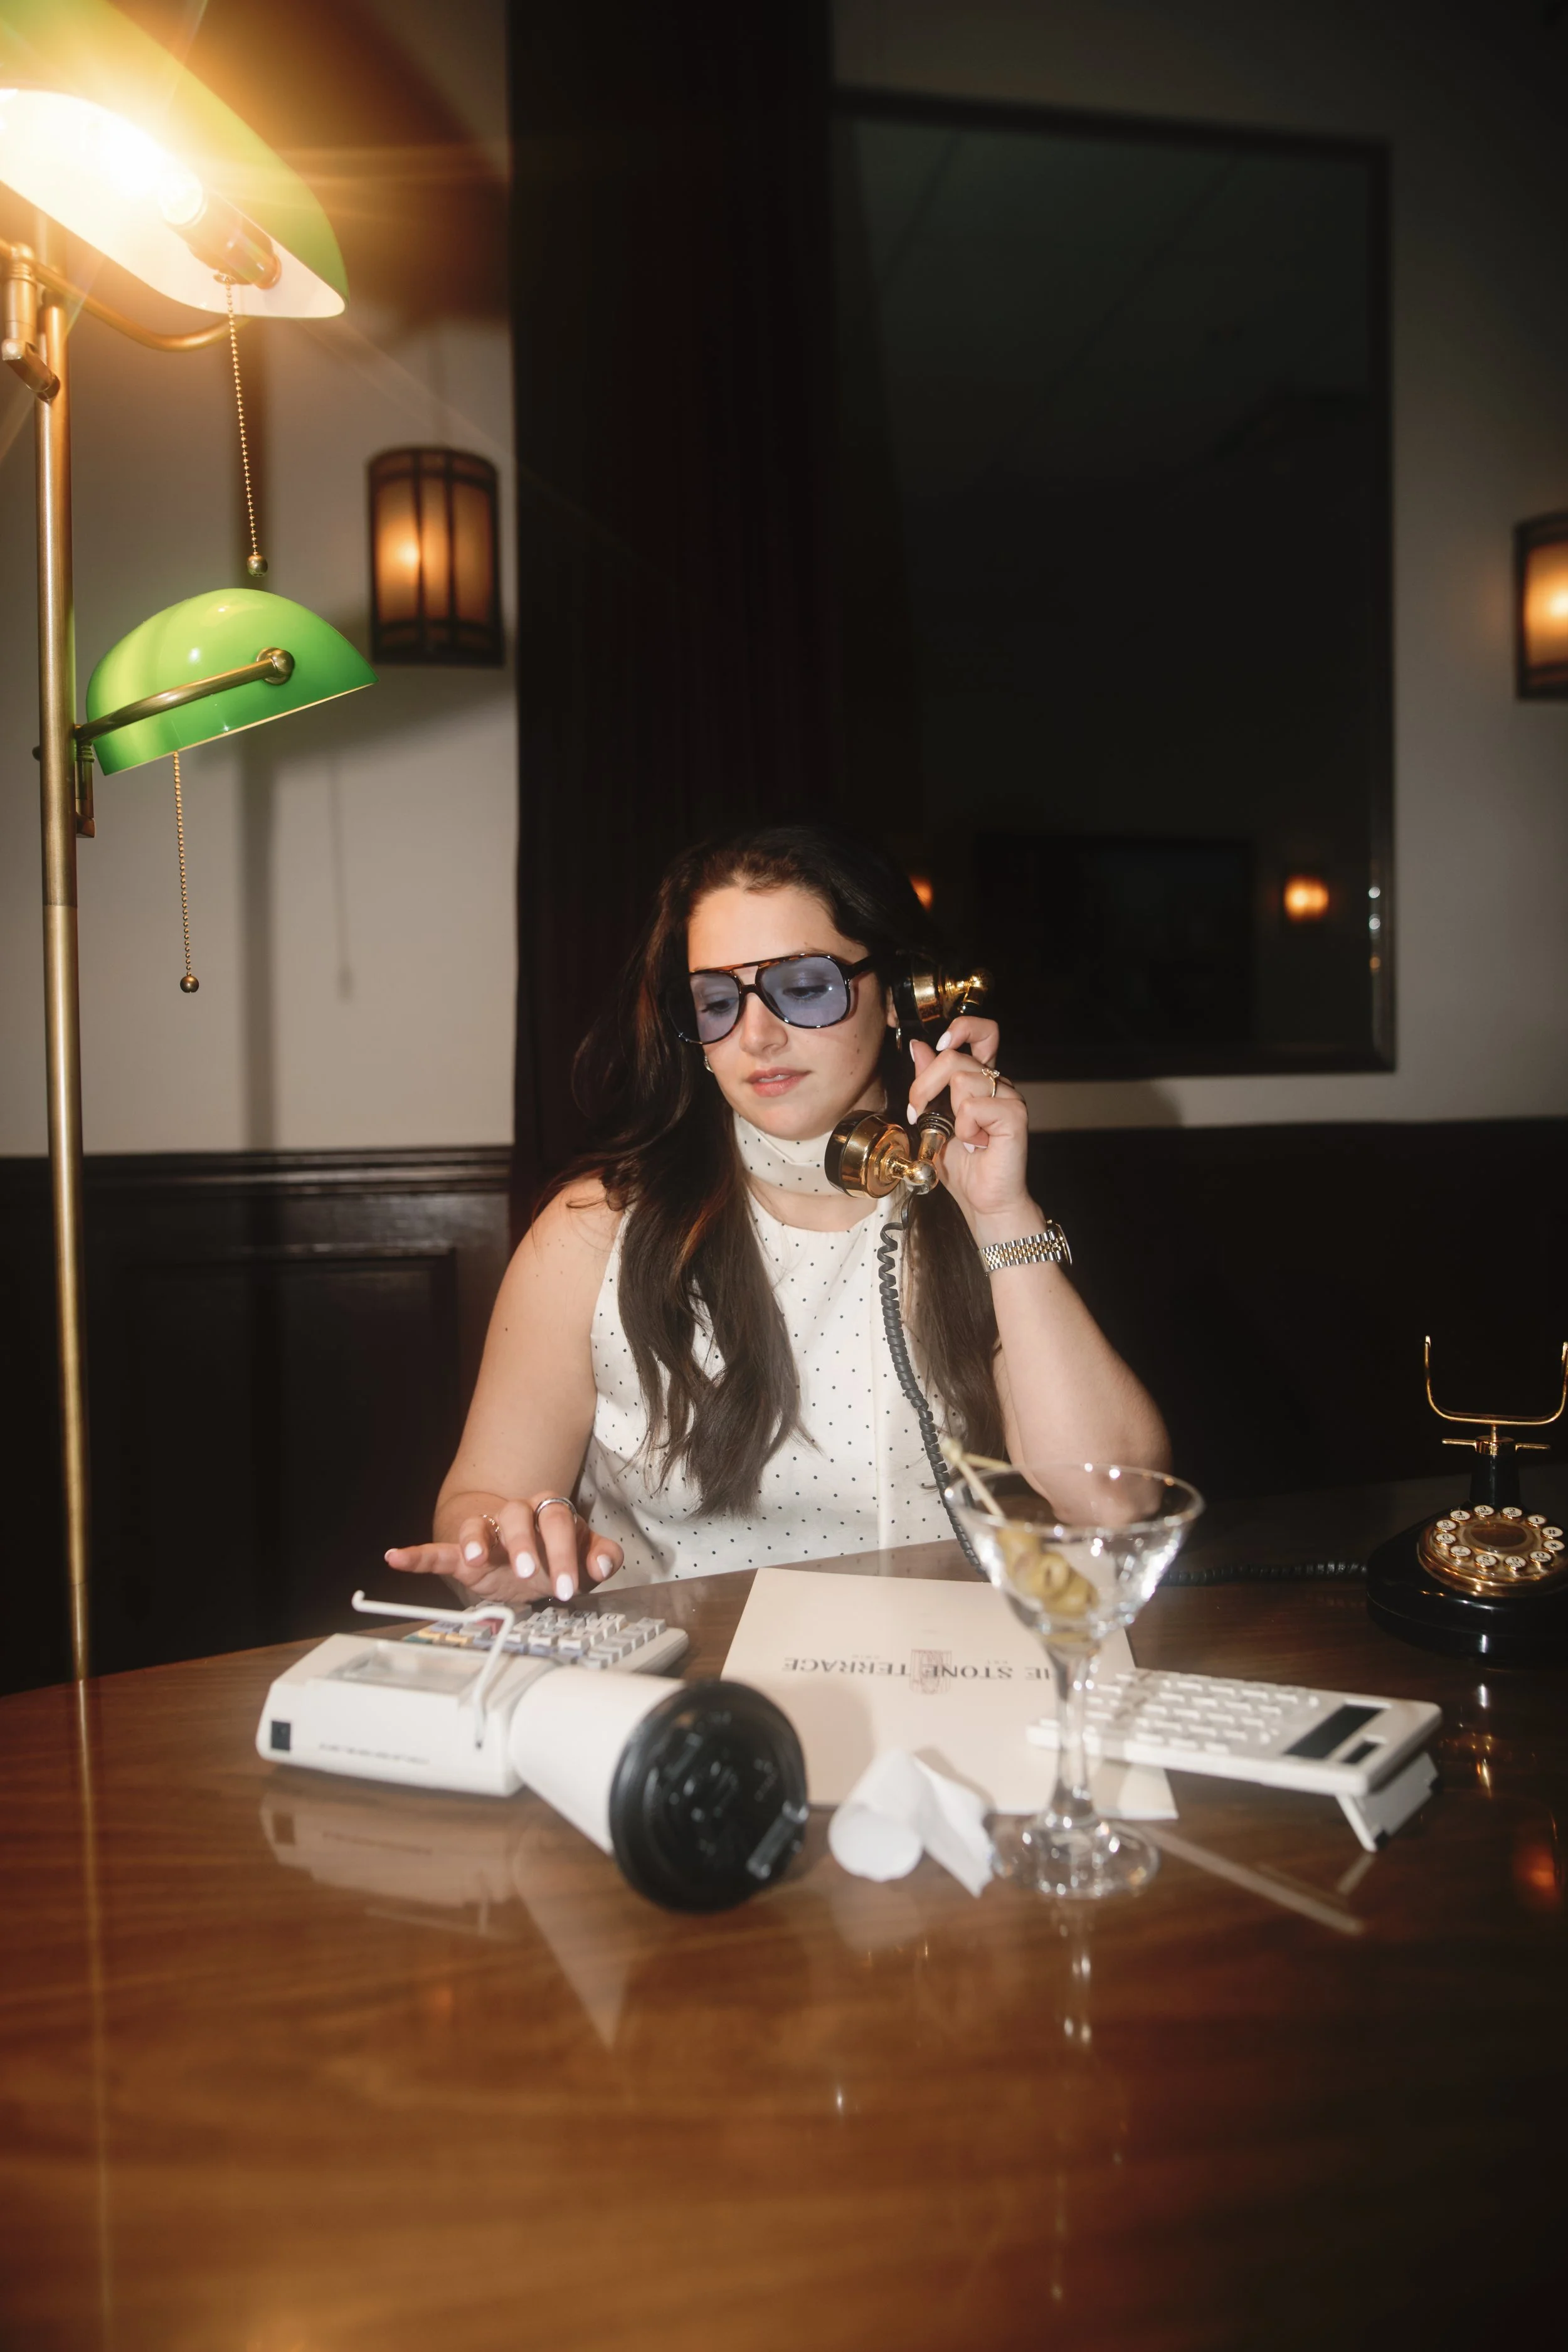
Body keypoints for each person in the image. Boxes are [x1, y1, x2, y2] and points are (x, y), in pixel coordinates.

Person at [386, 823, 1167, 1604]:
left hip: (933, 1691)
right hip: (686, 1692)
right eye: (717, 1001)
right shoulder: (592, 1227)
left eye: (803, 987)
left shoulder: (974, 1206)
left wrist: (1001, 1215)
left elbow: (1113, 1501)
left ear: (901, 997)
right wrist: (503, 1545)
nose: (756, 1035)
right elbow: (483, 1502)